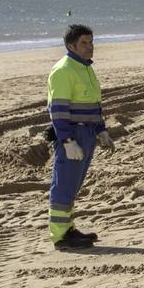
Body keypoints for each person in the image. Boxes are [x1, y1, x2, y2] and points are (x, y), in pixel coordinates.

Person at [47, 23, 113, 249]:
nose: (90, 46)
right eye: (84, 43)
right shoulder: (64, 70)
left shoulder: (85, 68)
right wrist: (67, 141)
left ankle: (69, 229)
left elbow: (93, 104)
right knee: (64, 185)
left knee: (73, 185)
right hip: (73, 134)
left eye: (91, 42)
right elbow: (58, 110)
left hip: (87, 133)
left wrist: (101, 130)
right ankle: (60, 237)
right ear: (71, 46)